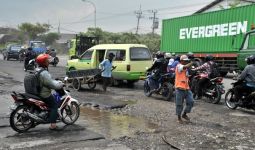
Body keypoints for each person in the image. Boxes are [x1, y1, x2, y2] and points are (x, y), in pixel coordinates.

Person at [35, 54, 64, 130]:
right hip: (44, 94)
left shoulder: (37, 69)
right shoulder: (44, 73)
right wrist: (60, 85)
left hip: (37, 92)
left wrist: (55, 81)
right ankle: (53, 125)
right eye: (47, 60)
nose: (48, 62)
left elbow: (48, 81)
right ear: (44, 62)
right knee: (54, 106)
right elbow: (52, 85)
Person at [175, 55, 194, 124]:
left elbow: (186, 75)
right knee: (179, 104)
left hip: (186, 88)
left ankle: (184, 114)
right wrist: (191, 63)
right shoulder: (179, 66)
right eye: (185, 61)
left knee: (191, 101)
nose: (186, 62)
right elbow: (184, 67)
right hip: (179, 88)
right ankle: (179, 118)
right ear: (181, 61)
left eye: (187, 61)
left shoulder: (186, 69)